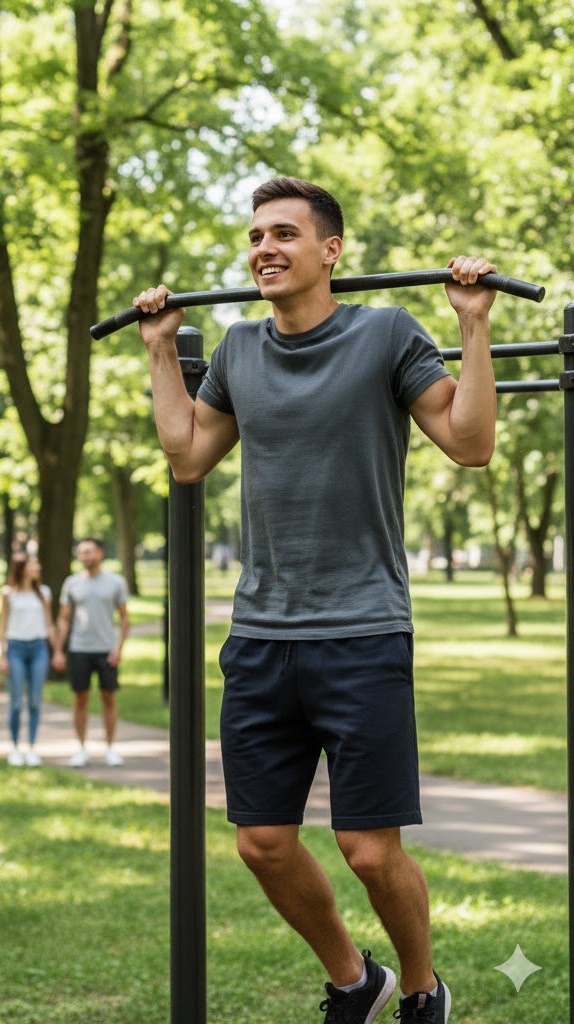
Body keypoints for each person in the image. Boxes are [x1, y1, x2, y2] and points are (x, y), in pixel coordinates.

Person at [134, 177, 498, 1024]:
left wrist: (473, 327)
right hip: (261, 635)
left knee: (369, 850)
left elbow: (471, 442)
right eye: (256, 236)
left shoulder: (386, 334)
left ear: (331, 251)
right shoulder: (237, 350)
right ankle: (354, 979)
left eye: (284, 234)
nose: (264, 248)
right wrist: (160, 349)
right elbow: (188, 457)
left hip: (363, 631)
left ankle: (421, 989)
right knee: (262, 843)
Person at [52, 538, 131, 767]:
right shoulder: (72, 583)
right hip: (79, 649)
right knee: (80, 698)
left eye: (88, 552)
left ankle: (110, 748)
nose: (84, 556)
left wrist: (118, 648)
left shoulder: (116, 582)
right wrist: (58, 650)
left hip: (106, 650)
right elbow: (63, 619)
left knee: (109, 697)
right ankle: (81, 748)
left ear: (100, 553)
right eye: (80, 553)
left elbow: (125, 619)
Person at [0, 550, 55, 766]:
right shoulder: (8, 593)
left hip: (39, 648)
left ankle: (31, 748)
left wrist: (58, 650)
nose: (38, 567)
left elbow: (49, 623)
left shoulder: (44, 593)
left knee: (35, 701)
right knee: (15, 703)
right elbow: (2, 626)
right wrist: (2, 656)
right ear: (23, 568)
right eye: (34, 564)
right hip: (16, 650)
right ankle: (14, 748)